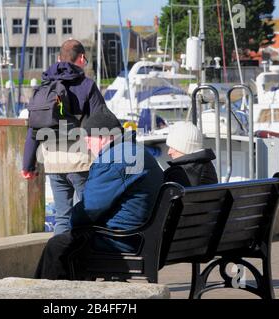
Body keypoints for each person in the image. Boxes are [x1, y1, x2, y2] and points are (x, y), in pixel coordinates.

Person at [35, 110, 163, 280]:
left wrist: (73, 221)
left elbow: (90, 210)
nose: (86, 146)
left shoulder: (113, 160)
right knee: (71, 242)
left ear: (103, 136)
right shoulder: (137, 152)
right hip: (144, 237)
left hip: (124, 241)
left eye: (88, 139)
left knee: (58, 246)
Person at [22, 39, 110, 235]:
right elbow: (102, 123)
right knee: (88, 214)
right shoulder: (87, 86)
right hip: (80, 162)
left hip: (53, 162)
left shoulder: (43, 87)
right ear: (81, 59)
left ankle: (59, 261)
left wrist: (27, 165)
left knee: (62, 217)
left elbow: (33, 129)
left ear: (59, 59)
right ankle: (85, 262)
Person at [165, 121, 218, 186]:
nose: (169, 152)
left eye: (173, 147)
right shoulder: (207, 166)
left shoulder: (178, 173)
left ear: (183, 147)